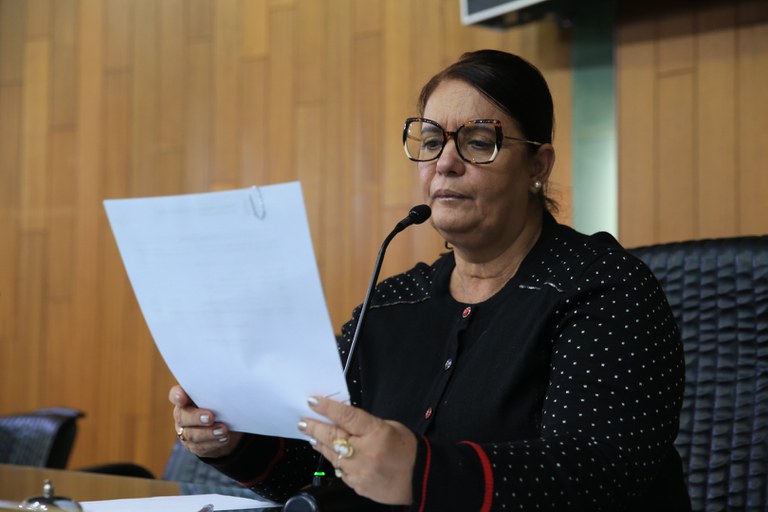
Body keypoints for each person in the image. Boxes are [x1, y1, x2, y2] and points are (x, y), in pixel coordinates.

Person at [169, 49, 691, 511]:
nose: (445, 163)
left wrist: (422, 473)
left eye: (479, 142)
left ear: (538, 165)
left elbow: (597, 473)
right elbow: (326, 470)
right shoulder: (392, 304)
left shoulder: (604, 287)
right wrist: (233, 442)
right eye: (433, 140)